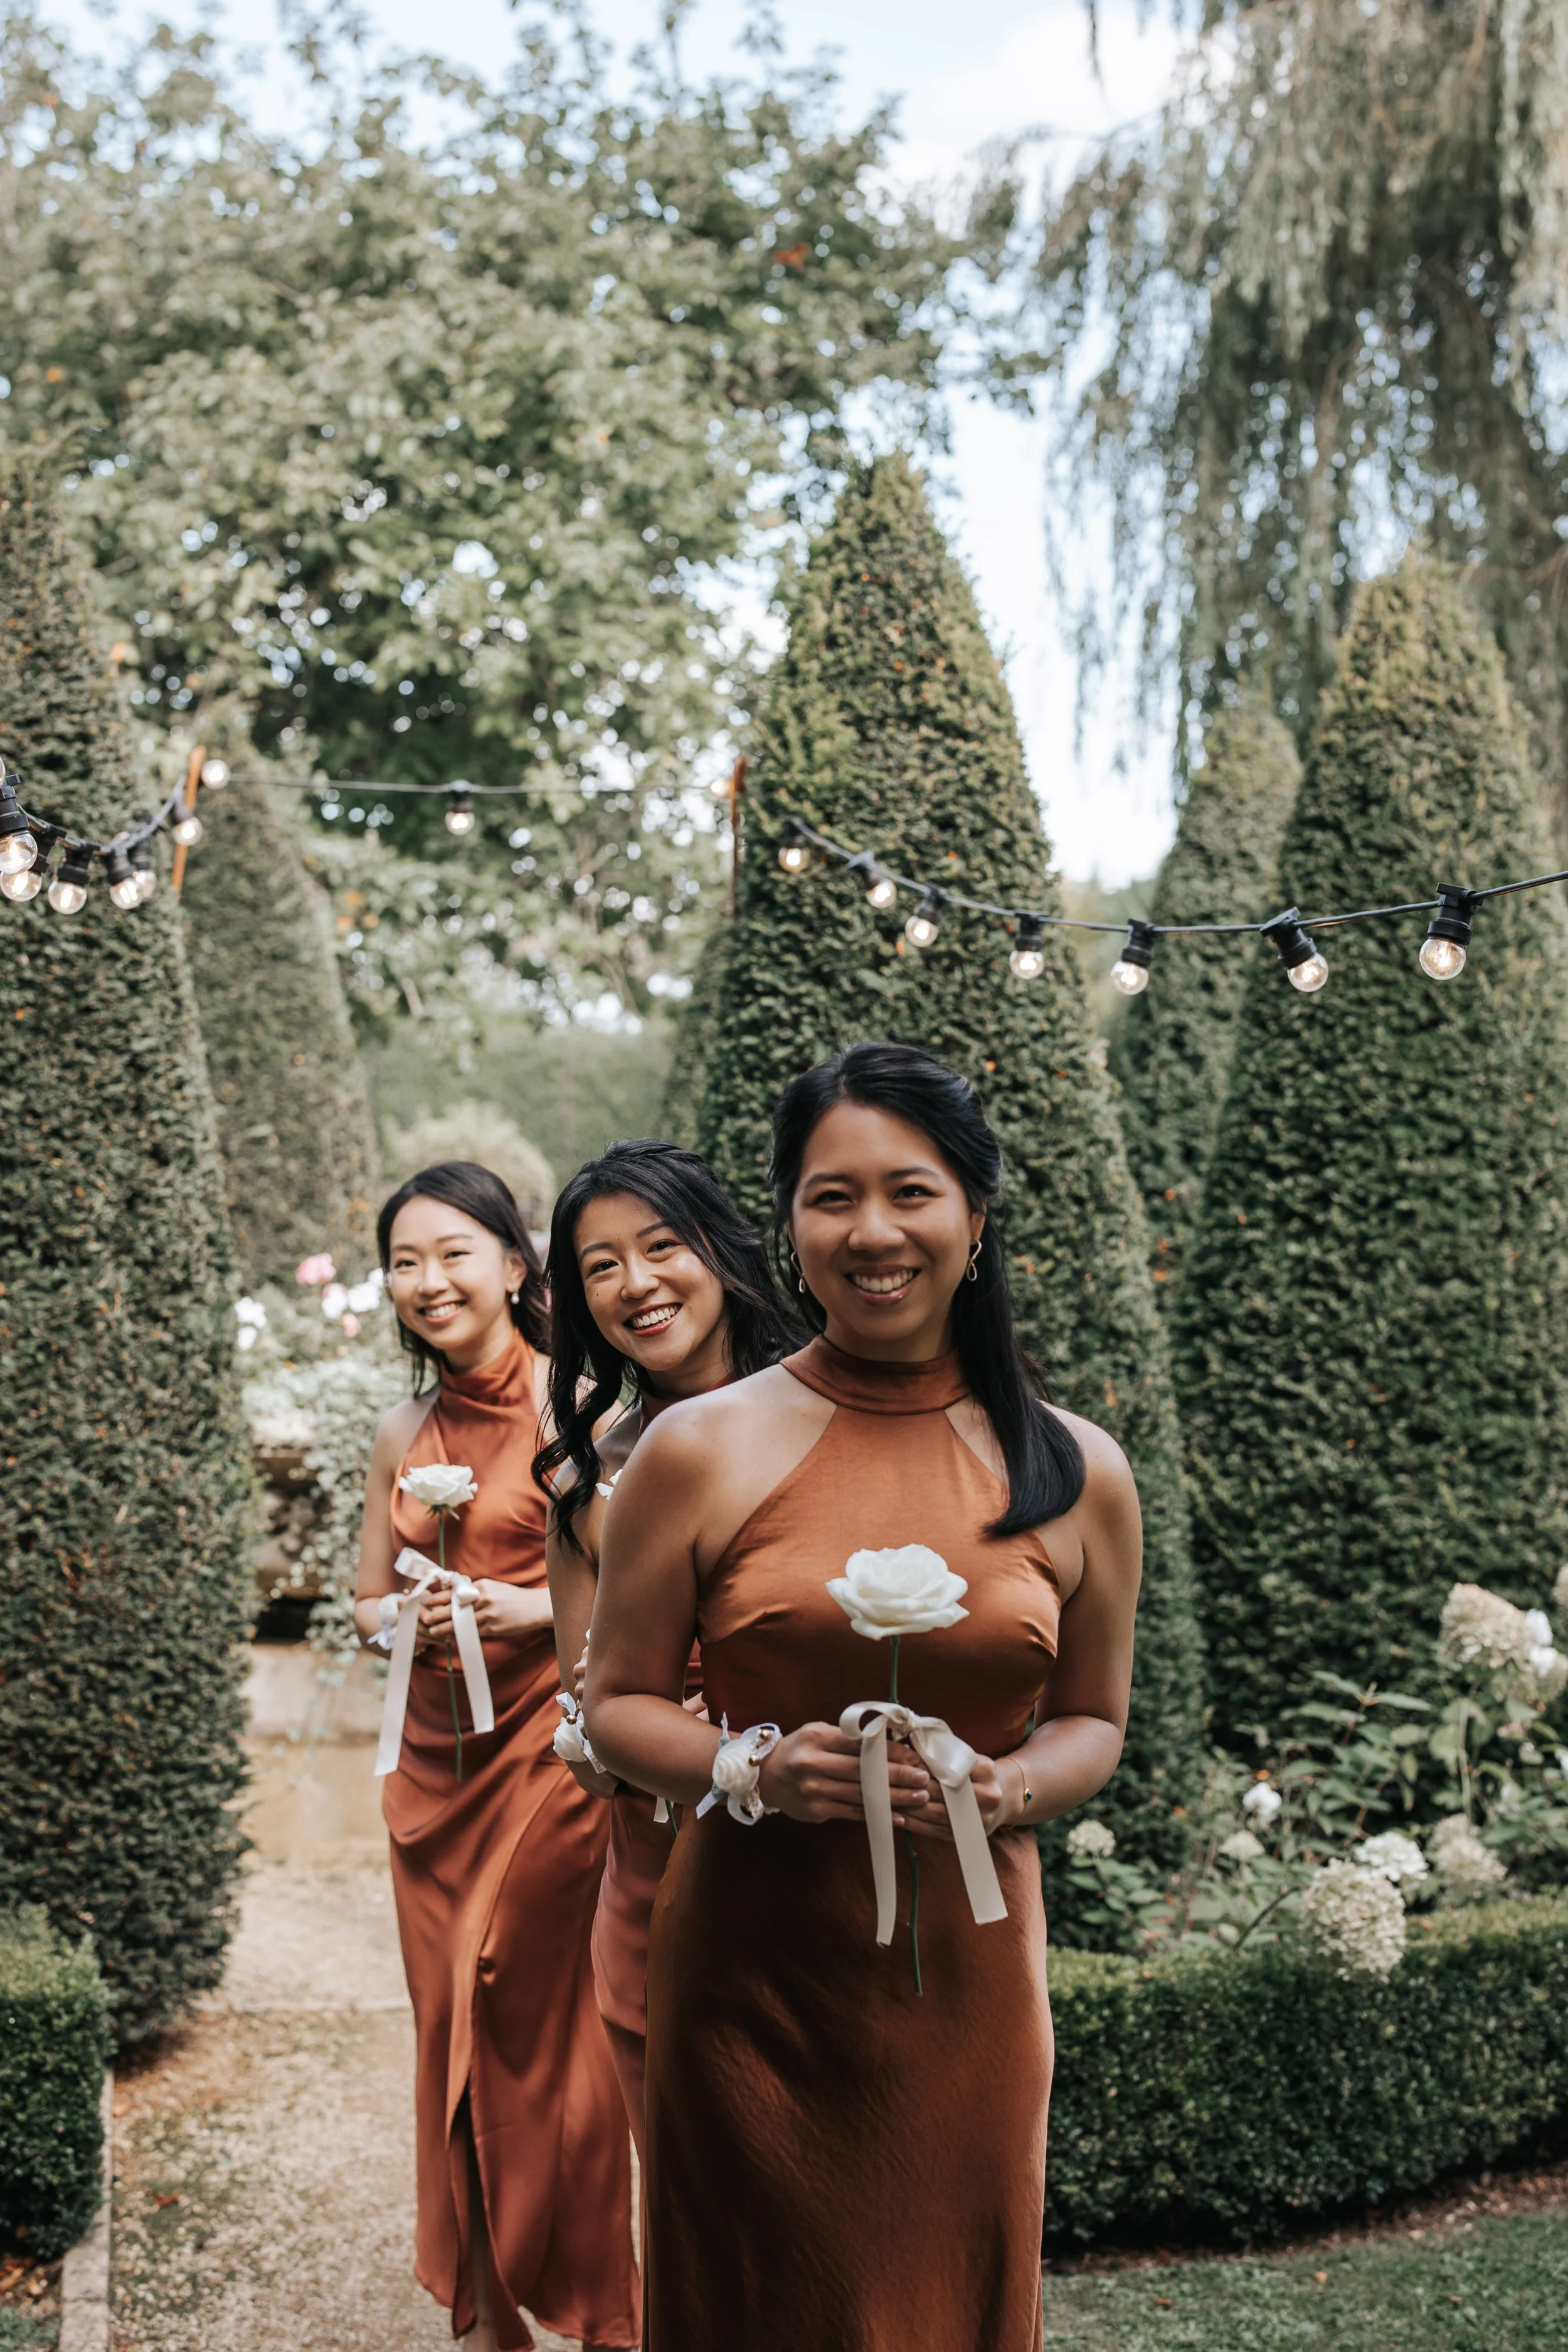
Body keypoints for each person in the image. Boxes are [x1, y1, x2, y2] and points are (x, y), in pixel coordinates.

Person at [585, 1043, 1143, 2352]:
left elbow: (1092, 1723)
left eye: (910, 1192)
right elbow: (616, 1709)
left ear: (974, 1215)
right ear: (785, 1224)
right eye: (830, 1196)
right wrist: (749, 1770)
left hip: (967, 1991)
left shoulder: (1074, 1470)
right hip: (747, 1982)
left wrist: (1005, 1784)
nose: (872, 1231)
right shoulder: (696, 1447)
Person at [353, 1161, 640, 2352]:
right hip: (433, 1774)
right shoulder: (398, 1432)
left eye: (454, 1253)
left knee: (528, 2012)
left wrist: (529, 1609)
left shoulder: (583, 1408)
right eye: (407, 1261)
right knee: (444, 2028)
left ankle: (602, 2305)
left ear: (517, 1266)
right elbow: (368, 1599)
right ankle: (485, 2308)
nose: (430, 1280)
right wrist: (405, 1618)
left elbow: (632, 1585)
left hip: (546, 1759)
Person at [533, 1136, 795, 2161]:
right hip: (657, 1886)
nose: (635, 1283)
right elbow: (586, 1725)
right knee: (696, 2239)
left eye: (660, 1245)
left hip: (816, 1878)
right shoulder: (585, 1483)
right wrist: (623, 1739)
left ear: (720, 1250)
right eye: (601, 1266)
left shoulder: (835, 1426)